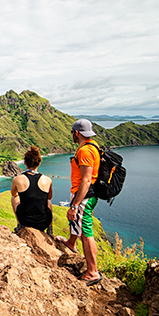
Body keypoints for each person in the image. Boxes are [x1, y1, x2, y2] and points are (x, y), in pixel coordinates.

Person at [57, 119, 102, 285]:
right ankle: (71, 242)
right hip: (84, 194)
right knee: (78, 223)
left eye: (72, 133)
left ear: (76, 133)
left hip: (84, 195)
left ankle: (92, 272)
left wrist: (75, 204)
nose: (72, 136)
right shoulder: (93, 147)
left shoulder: (84, 151)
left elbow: (86, 180)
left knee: (86, 233)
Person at [11, 146, 53, 235]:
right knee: (48, 202)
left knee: (14, 198)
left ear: (24, 162)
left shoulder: (17, 179)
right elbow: (49, 197)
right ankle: (50, 229)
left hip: (25, 220)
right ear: (39, 163)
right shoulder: (47, 180)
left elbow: (14, 193)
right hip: (43, 223)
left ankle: (19, 225)